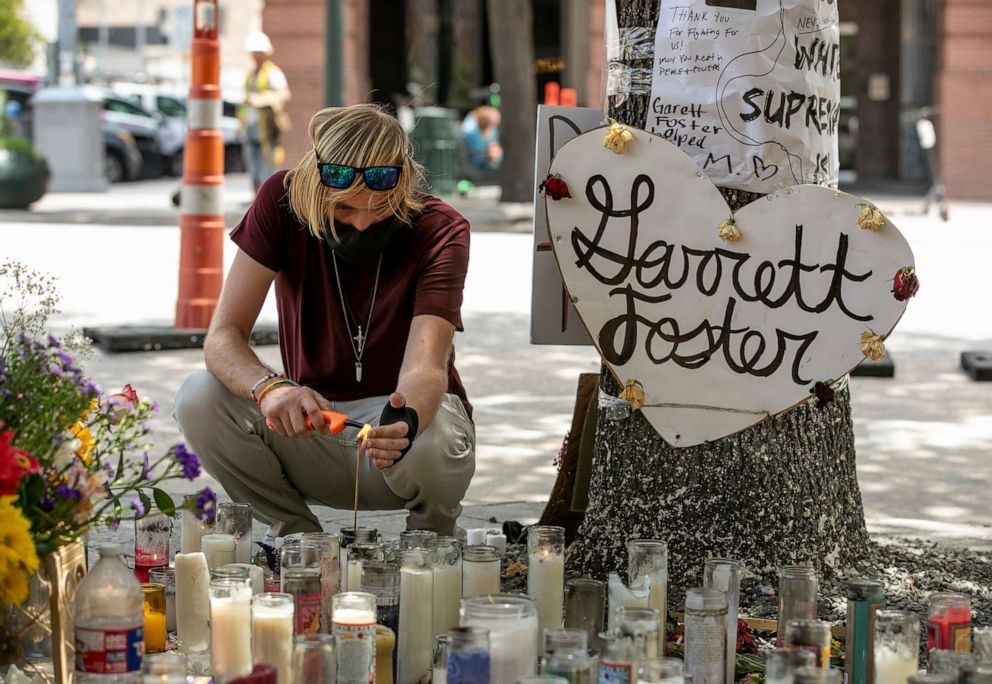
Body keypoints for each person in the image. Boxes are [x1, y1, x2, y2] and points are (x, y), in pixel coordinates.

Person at [174, 104, 475, 539]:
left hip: (395, 435)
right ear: (315, 188)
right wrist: (270, 388)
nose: (362, 221)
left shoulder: (441, 228)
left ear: (403, 184)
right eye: (344, 210)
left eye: (380, 208)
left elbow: (427, 365)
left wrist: (406, 420)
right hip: (310, 426)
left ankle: (429, 545)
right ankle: (299, 538)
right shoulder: (281, 199)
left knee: (438, 430)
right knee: (198, 396)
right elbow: (222, 337)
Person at [241, 31, 292, 193]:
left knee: (267, 166)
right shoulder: (250, 75)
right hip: (250, 127)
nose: (256, 56)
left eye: (259, 53)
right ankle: (255, 200)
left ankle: (266, 199)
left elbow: (284, 94)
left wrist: (261, 100)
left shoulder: (272, 73)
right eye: (254, 53)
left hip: (267, 128)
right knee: (253, 168)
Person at [461, 105, 503, 172]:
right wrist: (488, 155)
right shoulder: (470, 131)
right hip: (472, 169)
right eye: (491, 124)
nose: (493, 128)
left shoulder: (492, 130)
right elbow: (476, 158)